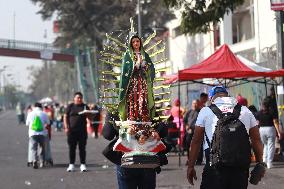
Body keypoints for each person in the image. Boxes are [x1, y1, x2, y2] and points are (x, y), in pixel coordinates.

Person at [187, 85, 264, 189]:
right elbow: (256, 139)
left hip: (214, 168)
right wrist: (260, 163)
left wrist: (191, 166)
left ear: (211, 98)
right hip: (239, 169)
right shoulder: (245, 111)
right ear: (227, 96)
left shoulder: (205, 111)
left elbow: (196, 140)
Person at [118, 34, 155, 122]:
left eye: (137, 41)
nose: (136, 43)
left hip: (143, 82)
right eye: (133, 42)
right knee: (133, 99)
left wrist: (145, 66)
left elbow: (151, 68)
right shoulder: (128, 55)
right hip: (133, 82)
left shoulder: (145, 55)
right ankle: (132, 117)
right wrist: (137, 64)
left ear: (140, 42)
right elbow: (126, 70)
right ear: (131, 44)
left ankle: (144, 117)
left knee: (144, 99)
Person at [64, 92, 91, 172]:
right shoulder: (70, 106)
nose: (79, 99)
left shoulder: (85, 106)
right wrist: (66, 127)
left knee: (82, 148)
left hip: (82, 131)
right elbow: (65, 117)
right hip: (72, 131)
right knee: (72, 148)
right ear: (74, 98)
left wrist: (88, 113)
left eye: (80, 98)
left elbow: (90, 118)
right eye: (78, 97)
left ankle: (83, 164)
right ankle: (71, 164)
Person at [255, 100, 282, 169]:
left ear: (262, 105)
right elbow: (275, 122)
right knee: (271, 145)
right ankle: (269, 163)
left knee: (265, 145)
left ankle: (264, 160)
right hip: (270, 129)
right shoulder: (272, 112)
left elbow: (257, 123)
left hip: (261, 130)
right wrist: (279, 132)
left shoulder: (259, 113)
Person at [26, 102, 50, 169]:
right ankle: (42, 162)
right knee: (42, 148)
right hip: (42, 133)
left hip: (33, 133)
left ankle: (34, 161)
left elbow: (27, 124)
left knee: (34, 148)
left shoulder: (30, 113)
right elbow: (48, 122)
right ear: (40, 107)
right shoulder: (44, 113)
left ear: (34, 106)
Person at [183, 99, 201, 164]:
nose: (195, 105)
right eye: (193, 103)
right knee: (187, 144)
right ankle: (189, 159)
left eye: (196, 103)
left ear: (198, 104)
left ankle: (198, 159)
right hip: (189, 131)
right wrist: (187, 127)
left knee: (198, 146)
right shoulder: (189, 112)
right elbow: (184, 121)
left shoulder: (200, 112)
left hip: (197, 130)